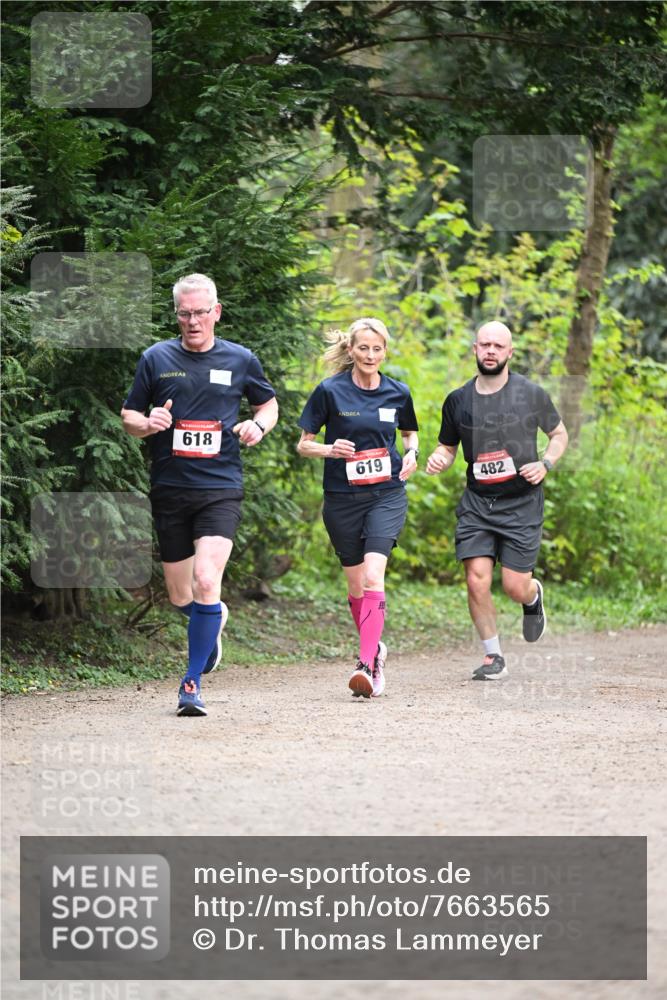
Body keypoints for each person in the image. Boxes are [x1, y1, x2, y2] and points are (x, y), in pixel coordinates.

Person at [121, 273, 278, 716]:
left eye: (200, 313)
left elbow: (268, 404)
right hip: (170, 488)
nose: (193, 321)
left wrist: (258, 425)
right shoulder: (156, 358)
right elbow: (128, 415)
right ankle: (210, 623)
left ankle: (190, 685)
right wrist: (146, 422)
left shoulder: (240, 359)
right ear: (177, 314)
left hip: (220, 488)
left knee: (207, 580)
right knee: (180, 595)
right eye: (184, 314)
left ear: (216, 312)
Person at [426, 321, 568, 680]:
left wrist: (546, 463)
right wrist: (440, 457)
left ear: (509, 353)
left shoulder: (530, 394)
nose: (490, 351)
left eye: (498, 346)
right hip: (477, 502)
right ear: (475, 349)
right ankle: (493, 657)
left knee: (513, 586)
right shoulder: (458, 400)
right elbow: (447, 445)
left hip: (521, 502)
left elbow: (558, 434)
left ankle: (532, 597)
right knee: (476, 579)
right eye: (484, 345)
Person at [297, 318, 419, 698]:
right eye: (363, 348)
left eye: (377, 349)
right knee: (355, 586)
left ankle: (367, 664)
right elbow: (303, 444)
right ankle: (376, 646)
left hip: (386, 494)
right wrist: (329, 449)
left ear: (385, 351)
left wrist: (413, 453)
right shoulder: (329, 392)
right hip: (342, 498)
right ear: (351, 350)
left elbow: (410, 432)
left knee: (372, 577)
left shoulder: (398, 392)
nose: (370, 355)